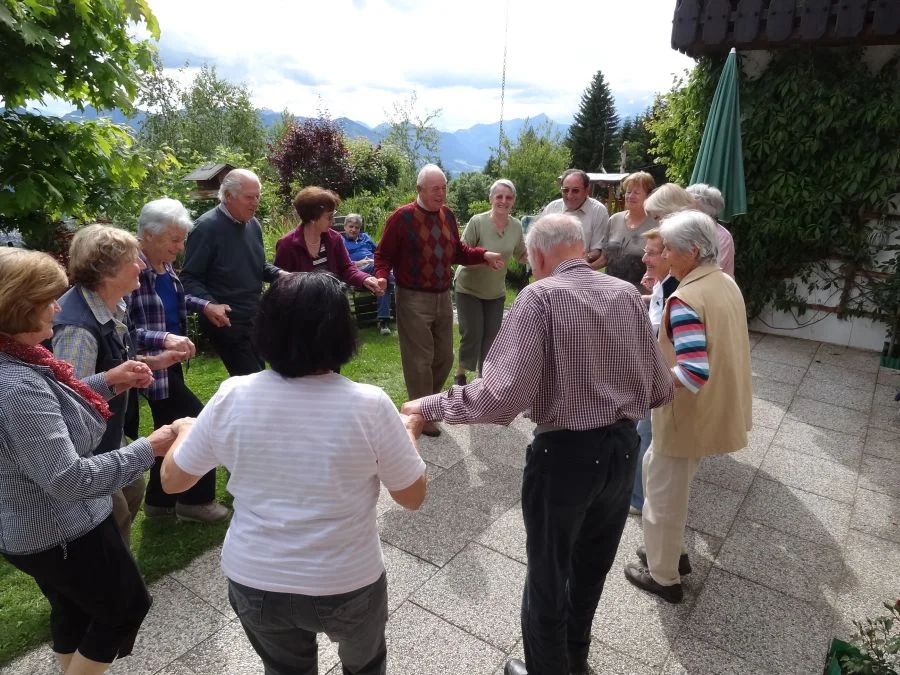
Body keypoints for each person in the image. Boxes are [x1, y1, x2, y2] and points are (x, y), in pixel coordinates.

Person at [401, 213, 673, 675]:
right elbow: (660, 388)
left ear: (539, 255)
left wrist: (428, 405)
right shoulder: (626, 294)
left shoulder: (539, 297)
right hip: (623, 451)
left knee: (549, 575)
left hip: (565, 458)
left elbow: (501, 397)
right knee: (591, 568)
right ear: (580, 247)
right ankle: (575, 659)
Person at [160, 272, 428, 675]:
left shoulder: (233, 395)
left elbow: (173, 481)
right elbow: (412, 496)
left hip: (256, 579)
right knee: (366, 666)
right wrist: (408, 432)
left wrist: (185, 430)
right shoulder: (369, 406)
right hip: (348, 580)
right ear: (342, 333)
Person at [0, 247, 179, 675]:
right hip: (62, 532)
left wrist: (109, 381)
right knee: (124, 609)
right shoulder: (17, 385)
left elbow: (51, 408)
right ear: (19, 307)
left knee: (74, 611)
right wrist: (149, 448)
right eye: (48, 300)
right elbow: (68, 479)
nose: (58, 308)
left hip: (30, 531)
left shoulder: (16, 359)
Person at [624, 210, 752, 604]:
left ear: (692, 250)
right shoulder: (724, 282)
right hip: (711, 408)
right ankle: (672, 553)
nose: (663, 255)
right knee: (662, 478)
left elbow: (693, 372)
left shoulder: (684, 300)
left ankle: (663, 577)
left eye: (669, 249)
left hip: (685, 415)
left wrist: (646, 387)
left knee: (662, 495)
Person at [53, 224, 183, 545]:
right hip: (86, 449)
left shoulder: (112, 305)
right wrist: (114, 379)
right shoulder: (77, 328)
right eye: (132, 260)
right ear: (107, 271)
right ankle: (113, 570)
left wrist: (155, 362)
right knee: (115, 515)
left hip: (108, 434)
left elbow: (113, 360)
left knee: (134, 487)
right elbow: (66, 396)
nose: (141, 265)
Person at [374, 164, 504, 437]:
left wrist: (483, 255)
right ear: (419, 189)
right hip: (412, 297)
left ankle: (424, 405)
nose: (441, 194)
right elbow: (383, 255)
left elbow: (458, 252)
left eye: (444, 188)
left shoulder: (447, 215)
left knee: (445, 356)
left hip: (443, 296)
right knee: (419, 359)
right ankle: (422, 415)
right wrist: (382, 277)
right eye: (435, 189)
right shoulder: (402, 217)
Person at [129, 198, 232, 524]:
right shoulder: (132, 269)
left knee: (170, 426)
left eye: (182, 239)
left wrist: (205, 306)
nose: (181, 246)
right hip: (148, 364)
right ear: (148, 234)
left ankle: (159, 503)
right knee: (198, 422)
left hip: (169, 362)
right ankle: (195, 501)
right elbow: (123, 328)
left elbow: (176, 298)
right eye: (174, 239)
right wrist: (165, 339)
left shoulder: (162, 263)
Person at [180, 168, 283, 376]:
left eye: (258, 196)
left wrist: (281, 275)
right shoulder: (206, 228)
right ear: (228, 196)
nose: (255, 202)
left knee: (261, 376)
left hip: (254, 316)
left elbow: (257, 265)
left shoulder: (253, 224)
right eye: (249, 197)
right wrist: (210, 305)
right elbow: (188, 278)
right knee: (251, 381)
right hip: (226, 321)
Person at [453, 179, 526, 386]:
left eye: (509, 197)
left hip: (495, 291)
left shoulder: (516, 226)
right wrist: (485, 260)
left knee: (492, 338)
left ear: (514, 200)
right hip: (468, 287)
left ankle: (484, 380)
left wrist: (541, 253)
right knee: (473, 334)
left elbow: (521, 254)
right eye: (499, 196)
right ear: (491, 198)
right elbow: (462, 254)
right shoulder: (477, 222)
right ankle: (460, 375)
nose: (504, 201)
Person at [273, 187, 386, 316]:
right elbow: (280, 285)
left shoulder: (334, 239)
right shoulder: (287, 245)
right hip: (302, 313)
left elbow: (346, 268)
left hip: (334, 309)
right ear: (313, 218)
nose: (333, 221)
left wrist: (365, 279)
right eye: (329, 217)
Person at [630, 229, 679, 516]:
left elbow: (664, 333)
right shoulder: (665, 283)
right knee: (644, 430)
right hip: (655, 371)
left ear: (669, 255)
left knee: (646, 431)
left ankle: (638, 499)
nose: (644, 258)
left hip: (662, 375)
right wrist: (648, 296)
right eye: (645, 251)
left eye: (651, 253)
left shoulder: (677, 291)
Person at [541, 168, 609, 270]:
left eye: (575, 191)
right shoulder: (552, 208)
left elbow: (598, 249)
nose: (570, 195)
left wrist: (581, 259)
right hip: (551, 269)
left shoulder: (598, 211)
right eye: (565, 190)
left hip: (580, 269)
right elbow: (540, 241)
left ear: (587, 191)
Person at [341, 213, 395, 336]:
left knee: (383, 280)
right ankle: (384, 321)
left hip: (374, 267)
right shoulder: (340, 241)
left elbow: (379, 253)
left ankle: (383, 321)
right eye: (351, 226)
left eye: (357, 227)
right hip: (358, 271)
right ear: (345, 227)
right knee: (384, 275)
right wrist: (358, 263)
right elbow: (342, 264)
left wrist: (376, 261)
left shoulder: (365, 237)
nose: (353, 230)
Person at [603, 171, 657, 287]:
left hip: (641, 290)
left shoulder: (656, 224)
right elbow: (605, 257)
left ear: (648, 196)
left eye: (636, 193)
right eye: (628, 192)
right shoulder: (614, 219)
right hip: (609, 287)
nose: (630, 196)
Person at [686, 182, 736, 278]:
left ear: (704, 212)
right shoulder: (688, 231)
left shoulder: (722, 237)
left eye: (689, 208)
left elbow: (711, 270)